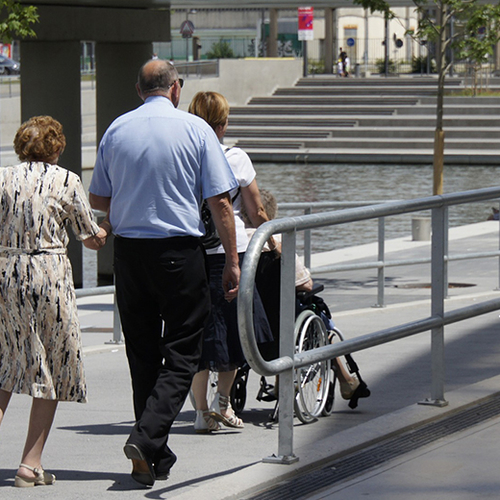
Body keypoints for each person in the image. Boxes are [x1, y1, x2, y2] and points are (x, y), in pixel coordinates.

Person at [89, 60, 240, 487]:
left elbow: (99, 199)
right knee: (184, 352)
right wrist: (232, 259)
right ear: (176, 88)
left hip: (130, 254)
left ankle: (151, 453)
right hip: (178, 253)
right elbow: (221, 203)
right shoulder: (196, 131)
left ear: (139, 89)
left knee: (141, 354)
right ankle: (146, 435)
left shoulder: (117, 130)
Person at [0, 116, 109, 488]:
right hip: (48, 274)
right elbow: (88, 236)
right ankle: (29, 465)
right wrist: (104, 231)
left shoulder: (2, 177)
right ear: (57, 148)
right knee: (53, 362)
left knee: (4, 362)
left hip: (6, 272)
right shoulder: (66, 180)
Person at [188, 91, 274, 433]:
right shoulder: (236, 158)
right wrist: (271, 235)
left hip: (191, 252)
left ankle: (200, 412)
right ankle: (223, 404)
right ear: (223, 124)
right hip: (229, 252)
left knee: (197, 333)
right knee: (233, 330)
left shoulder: (184, 155)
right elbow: (256, 211)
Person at [242, 189, 360, 401]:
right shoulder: (277, 242)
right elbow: (306, 285)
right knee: (319, 321)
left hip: (247, 328)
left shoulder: (234, 244)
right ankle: (346, 380)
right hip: (281, 327)